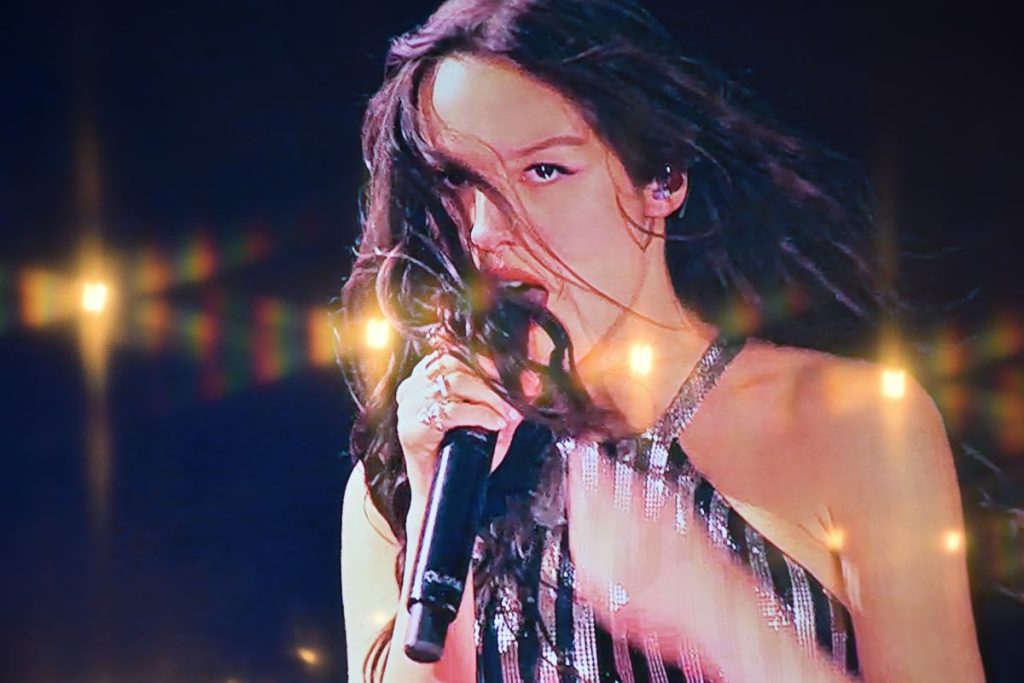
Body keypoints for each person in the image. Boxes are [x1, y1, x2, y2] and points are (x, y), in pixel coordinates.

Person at [338, 0, 985, 680]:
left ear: (662, 178)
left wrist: (725, 623)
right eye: (459, 180)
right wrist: (434, 505)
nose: (485, 231)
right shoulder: (406, 474)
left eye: (544, 171)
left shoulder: (853, 420)